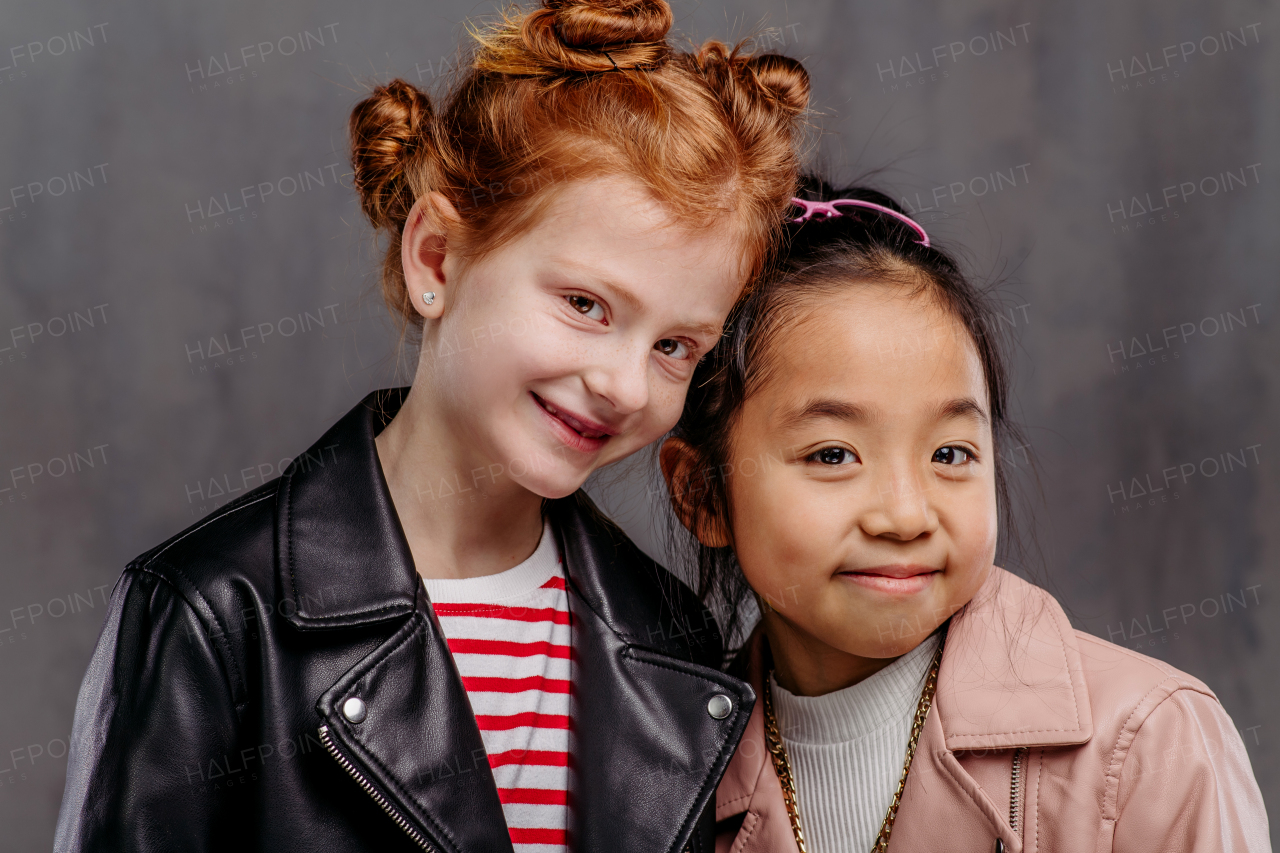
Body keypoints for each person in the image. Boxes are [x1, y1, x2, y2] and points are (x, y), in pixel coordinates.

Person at [53, 3, 810, 851]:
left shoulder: (666, 626)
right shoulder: (214, 614)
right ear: (438, 259)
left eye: (675, 345)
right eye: (585, 304)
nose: (623, 384)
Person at [660, 177, 1270, 852]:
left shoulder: (1149, 745)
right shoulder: (661, 764)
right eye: (833, 454)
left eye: (950, 452)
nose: (904, 514)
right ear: (702, 494)